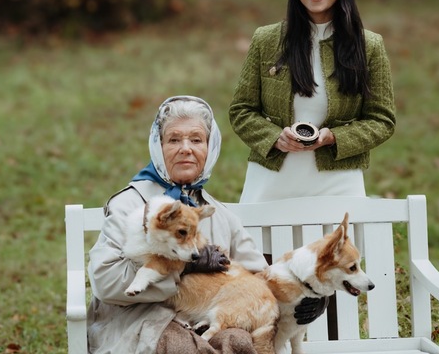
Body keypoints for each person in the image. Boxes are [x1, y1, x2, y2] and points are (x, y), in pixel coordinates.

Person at [228, 0, 396, 338]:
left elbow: (383, 119)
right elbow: (241, 110)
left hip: (336, 183)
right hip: (272, 183)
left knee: (332, 286)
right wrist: (275, 137)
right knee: (265, 285)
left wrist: (334, 137)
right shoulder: (268, 40)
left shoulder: (368, 47)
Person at [86, 96, 326, 354]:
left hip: (208, 319)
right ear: (158, 146)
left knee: (239, 341)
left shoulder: (220, 215)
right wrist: (183, 267)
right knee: (180, 345)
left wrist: (306, 295)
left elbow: (257, 279)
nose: (186, 148)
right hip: (139, 323)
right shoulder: (132, 205)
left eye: (197, 140)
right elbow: (104, 281)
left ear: (210, 149)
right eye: (174, 139)